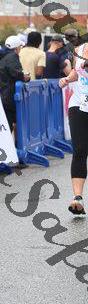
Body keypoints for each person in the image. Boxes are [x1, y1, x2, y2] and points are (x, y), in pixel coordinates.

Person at [59, 41, 88, 215]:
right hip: (79, 102)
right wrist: (68, 78)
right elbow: (77, 71)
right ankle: (78, 198)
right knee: (79, 149)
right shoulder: (79, 49)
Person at [0, 35, 30, 133]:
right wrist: (24, 77)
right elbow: (16, 74)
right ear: (16, 48)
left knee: (4, 124)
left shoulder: (0, 55)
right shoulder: (12, 57)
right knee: (8, 124)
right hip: (8, 95)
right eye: (20, 47)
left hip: (0, 94)